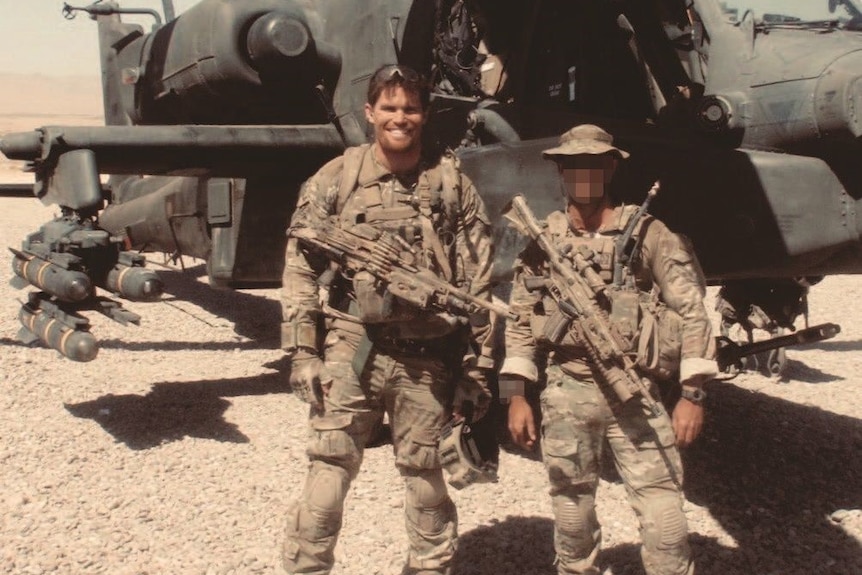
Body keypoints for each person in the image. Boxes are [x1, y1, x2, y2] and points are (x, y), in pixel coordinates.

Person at [279, 64, 496, 575]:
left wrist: (477, 368)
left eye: (411, 108)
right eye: (390, 108)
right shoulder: (337, 177)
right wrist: (305, 352)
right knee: (328, 473)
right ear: (370, 112)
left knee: (425, 479)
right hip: (353, 348)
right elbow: (300, 266)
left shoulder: (451, 184)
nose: (401, 118)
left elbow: (479, 280)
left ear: (425, 114)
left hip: (427, 359)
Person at [499, 124, 717, 575]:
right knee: (571, 510)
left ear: (610, 168)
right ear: (560, 171)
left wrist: (692, 392)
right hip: (566, 389)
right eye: (574, 166)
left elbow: (692, 310)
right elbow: (519, 320)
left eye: (594, 166)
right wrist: (515, 395)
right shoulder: (544, 241)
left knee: (665, 517)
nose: (583, 176)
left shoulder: (648, 234)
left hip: (634, 390)